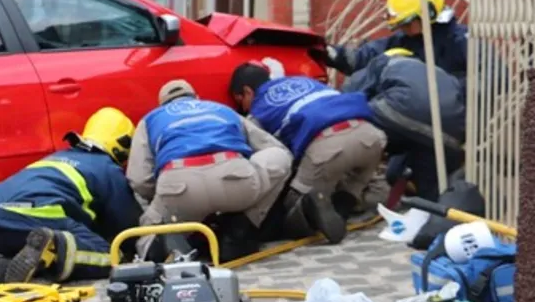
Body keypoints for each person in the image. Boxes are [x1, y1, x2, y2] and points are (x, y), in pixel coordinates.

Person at [0, 107, 142, 284]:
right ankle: (53, 247)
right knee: (112, 258)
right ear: (123, 146)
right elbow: (127, 227)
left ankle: (3, 266)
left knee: (33, 252)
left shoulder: (57, 157)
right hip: (39, 216)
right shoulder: (107, 169)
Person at [125, 80, 295, 260]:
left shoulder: (151, 119)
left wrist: (161, 198)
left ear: (162, 105)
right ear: (197, 98)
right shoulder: (221, 109)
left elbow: (139, 179)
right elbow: (272, 146)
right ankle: (240, 229)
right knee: (280, 156)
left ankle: (162, 247)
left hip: (179, 188)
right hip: (235, 178)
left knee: (149, 230)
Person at [229, 62, 388, 242]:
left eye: (240, 101)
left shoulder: (259, 110)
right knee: (355, 181)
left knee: (293, 204)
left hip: (328, 145)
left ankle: (310, 206)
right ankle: (342, 210)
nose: (243, 108)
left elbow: (266, 153)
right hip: (372, 135)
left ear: (247, 91)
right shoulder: (307, 82)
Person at [341, 48, 466, 202]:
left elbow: (348, 100)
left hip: (402, 112)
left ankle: (348, 194)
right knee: (422, 180)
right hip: (449, 135)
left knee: (355, 125)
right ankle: (432, 210)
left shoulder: (380, 63)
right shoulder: (437, 71)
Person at [326, 0, 468, 81]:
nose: (403, 29)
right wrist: (332, 54)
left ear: (426, 14)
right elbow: (368, 55)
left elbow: (486, 79)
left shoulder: (462, 42)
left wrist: (450, 88)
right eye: (400, 25)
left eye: (406, 24)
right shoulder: (406, 40)